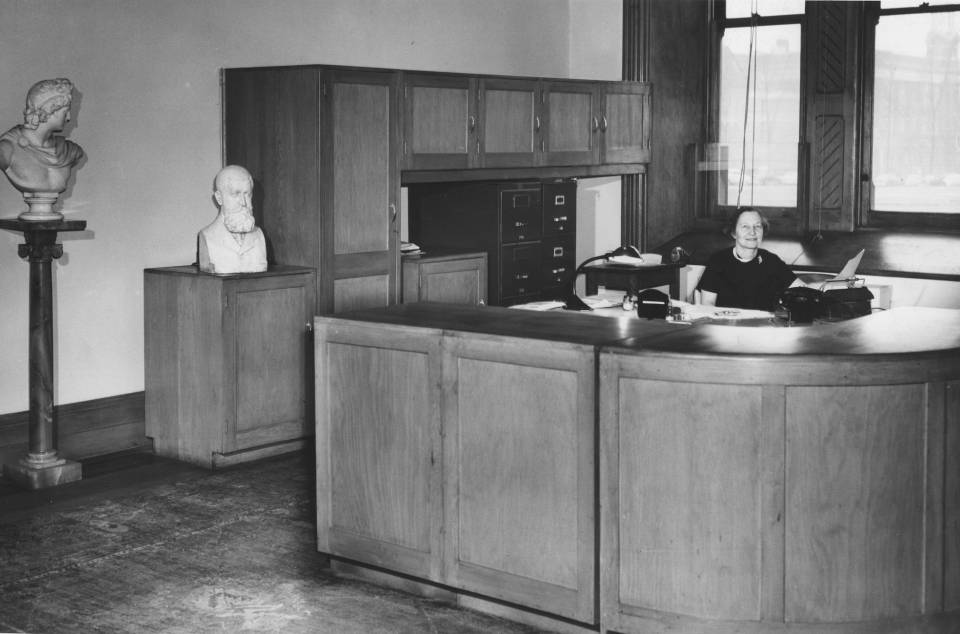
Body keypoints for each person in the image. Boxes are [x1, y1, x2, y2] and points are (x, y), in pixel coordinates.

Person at [0, 78, 85, 218]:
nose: (69, 117)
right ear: (50, 109)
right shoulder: (7, 150)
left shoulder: (70, 151)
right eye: (66, 111)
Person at [697, 209, 802, 311]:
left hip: (763, 326)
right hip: (727, 325)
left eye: (757, 226)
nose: (752, 232)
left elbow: (801, 289)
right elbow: (707, 305)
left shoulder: (771, 261)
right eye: (745, 226)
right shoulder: (718, 261)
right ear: (733, 232)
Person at [197, 165, 268, 274]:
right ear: (219, 198)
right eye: (236, 194)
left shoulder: (259, 235)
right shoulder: (208, 236)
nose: (243, 202)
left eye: (247, 194)